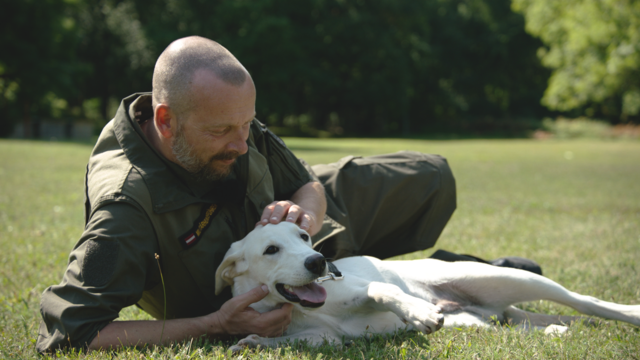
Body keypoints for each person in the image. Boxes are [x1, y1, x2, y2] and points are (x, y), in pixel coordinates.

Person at [36, 36, 460, 353]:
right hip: (250, 276)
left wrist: (304, 222)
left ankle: (435, 272)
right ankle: (451, 273)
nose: (242, 145)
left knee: (430, 177)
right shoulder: (125, 207)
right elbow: (70, 333)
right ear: (166, 122)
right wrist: (214, 325)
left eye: (247, 125)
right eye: (222, 132)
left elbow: (307, 183)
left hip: (298, 242)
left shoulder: (226, 117)